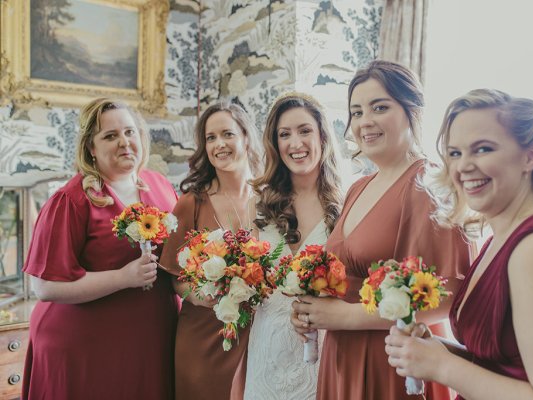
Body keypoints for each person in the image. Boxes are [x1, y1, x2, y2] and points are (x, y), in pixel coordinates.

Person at [385, 88, 533, 400]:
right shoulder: (500, 241)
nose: (463, 167)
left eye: (483, 149)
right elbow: (507, 365)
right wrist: (437, 352)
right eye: (455, 153)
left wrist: (443, 367)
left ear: (532, 155)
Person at [291, 60, 471, 400]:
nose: (365, 122)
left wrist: (345, 316)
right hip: (343, 357)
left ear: (412, 110)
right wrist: (313, 311)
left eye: (380, 107)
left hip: (395, 362)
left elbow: (447, 297)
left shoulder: (428, 185)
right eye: (356, 112)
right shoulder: (358, 188)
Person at [22, 98, 179, 399]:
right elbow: (45, 285)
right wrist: (123, 277)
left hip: (150, 342)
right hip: (86, 347)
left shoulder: (160, 185)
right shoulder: (72, 199)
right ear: (91, 148)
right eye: (110, 136)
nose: (125, 142)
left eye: (130, 132)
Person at [235, 93, 343, 399]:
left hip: (322, 349)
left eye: (304, 131)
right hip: (267, 347)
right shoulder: (258, 203)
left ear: (322, 135)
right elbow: (247, 277)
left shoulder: (346, 204)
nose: (295, 143)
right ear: (275, 143)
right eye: (285, 134)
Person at [159, 100, 262, 400]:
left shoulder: (271, 198)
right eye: (211, 138)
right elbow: (174, 278)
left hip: (258, 338)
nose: (219, 144)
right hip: (203, 339)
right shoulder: (191, 203)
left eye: (227, 134)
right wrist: (202, 296)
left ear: (246, 136)